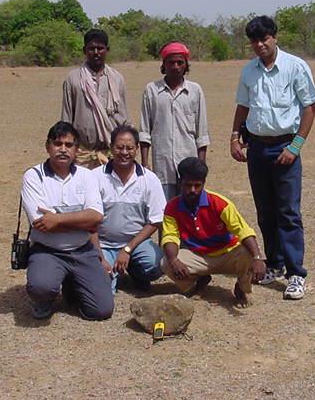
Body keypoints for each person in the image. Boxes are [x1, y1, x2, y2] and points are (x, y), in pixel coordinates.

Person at [230, 15, 315, 300]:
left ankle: (296, 274)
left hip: (285, 148)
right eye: (254, 41)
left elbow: (310, 107)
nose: (259, 45)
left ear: (275, 37)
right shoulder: (249, 72)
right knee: (265, 211)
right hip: (258, 149)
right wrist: (235, 137)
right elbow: (243, 107)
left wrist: (295, 146)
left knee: (288, 213)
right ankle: (275, 264)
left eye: (264, 39)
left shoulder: (295, 67)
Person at [21, 121, 114, 320]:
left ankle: (72, 285)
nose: (63, 149)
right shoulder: (33, 176)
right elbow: (41, 223)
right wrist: (81, 220)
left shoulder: (87, 176)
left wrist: (57, 219)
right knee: (41, 286)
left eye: (69, 145)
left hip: (82, 250)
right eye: (57, 144)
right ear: (48, 147)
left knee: (102, 310)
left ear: (77, 150)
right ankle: (43, 299)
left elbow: (96, 217)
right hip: (47, 250)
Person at [161, 157, 266, 307]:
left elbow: (242, 230)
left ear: (204, 183)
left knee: (248, 252)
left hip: (228, 254)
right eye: (188, 185)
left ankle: (242, 288)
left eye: (197, 186)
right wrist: (174, 261)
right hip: (199, 256)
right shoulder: (172, 207)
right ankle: (197, 282)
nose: (192, 190)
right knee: (166, 263)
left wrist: (257, 258)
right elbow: (170, 236)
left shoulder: (219, 203)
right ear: (180, 183)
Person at [91, 125, 166, 293]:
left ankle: (138, 272)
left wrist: (127, 249)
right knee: (101, 286)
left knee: (158, 263)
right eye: (119, 147)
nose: (124, 152)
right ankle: (112, 274)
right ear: (111, 148)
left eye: (129, 148)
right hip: (104, 244)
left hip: (137, 244)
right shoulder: (95, 177)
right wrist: (100, 255)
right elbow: (89, 222)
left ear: (137, 149)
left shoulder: (149, 179)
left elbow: (155, 220)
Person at [139, 41, 210, 200]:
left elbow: (202, 133)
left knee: (189, 212)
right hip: (163, 166)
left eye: (180, 62)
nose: (176, 66)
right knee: (165, 211)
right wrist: (145, 164)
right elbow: (144, 131)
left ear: (186, 65)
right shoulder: (152, 90)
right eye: (171, 62)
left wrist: (201, 167)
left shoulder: (195, 91)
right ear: (164, 64)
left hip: (189, 162)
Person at [61, 29, 130, 168]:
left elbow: (123, 117)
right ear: (84, 51)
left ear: (107, 50)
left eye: (100, 48)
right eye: (92, 48)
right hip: (82, 155)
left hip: (111, 154)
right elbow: (67, 118)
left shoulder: (117, 79)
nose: (96, 52)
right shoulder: (73, 79)